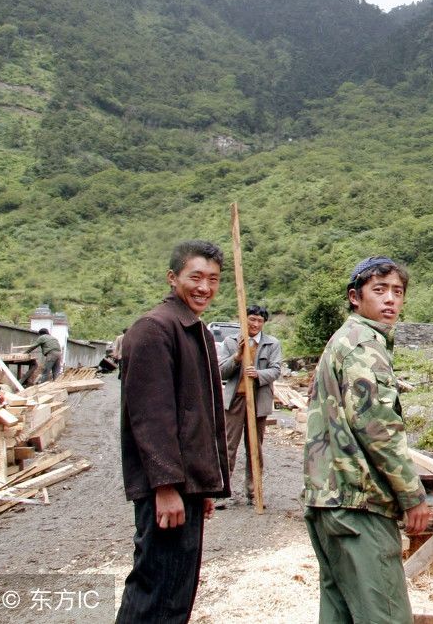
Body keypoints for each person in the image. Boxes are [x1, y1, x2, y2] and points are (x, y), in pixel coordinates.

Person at [302, 256, 433, 624]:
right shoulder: (364, 345)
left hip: (327, 499)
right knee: (385, 615)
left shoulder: (342, 341)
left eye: (397, 291)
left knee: (340, 613)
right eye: (379, 290)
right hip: (358, 504)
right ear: (355, 297)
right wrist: (412, 496)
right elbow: (376, 427)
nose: (390, 299)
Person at [117, 241, 230, 624]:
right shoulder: (154, 329)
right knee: (156, 591)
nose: (204, 287)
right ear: (172, 278)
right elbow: (151, 417)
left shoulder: (192, 329)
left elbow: (195, 417)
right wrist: (166, 487)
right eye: (194, 277)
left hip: (186, 488)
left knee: (176, 591)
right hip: (166, 490)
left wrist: (202, 487)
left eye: (213, 279)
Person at [217, 304, 283, 506]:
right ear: (244, 320)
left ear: (264, 323)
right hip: (235, 400)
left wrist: (259, 374)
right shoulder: (230, 341)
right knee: (228, 446)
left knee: (255, 447)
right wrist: (237, 357)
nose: (255, 324)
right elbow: (220, 372)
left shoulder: (272, 344)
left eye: (259, 321)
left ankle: (254, 493)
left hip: (258, 400)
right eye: (252, 319)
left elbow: (276, 370)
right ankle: (220, 493)